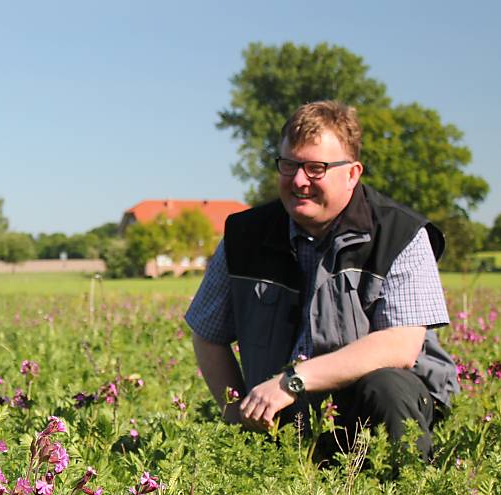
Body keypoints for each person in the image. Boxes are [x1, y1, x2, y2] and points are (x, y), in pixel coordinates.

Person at [184, 100, 458, 459]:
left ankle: (408, 491)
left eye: (316, 168)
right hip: (283, 417)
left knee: (386, 386)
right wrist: (237, 414)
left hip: (373, 410)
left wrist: (292, 381)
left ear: (352, 173)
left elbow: (400, 347)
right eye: (289, 165)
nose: (299, 180)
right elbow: (207, 335)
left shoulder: (400, 234)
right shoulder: (244, 235)